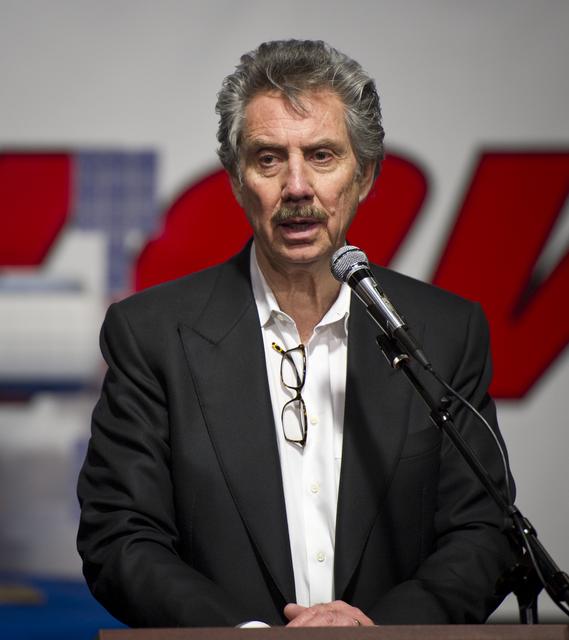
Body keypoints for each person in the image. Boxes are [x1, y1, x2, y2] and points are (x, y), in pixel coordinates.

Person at [77, 39, 515, 628]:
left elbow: (483, 530)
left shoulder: (443, 332)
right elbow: (119, 537)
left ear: (365, 176)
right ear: (237, 181)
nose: (297, 186)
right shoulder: (152, 335)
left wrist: (377, 633)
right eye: (268, 159)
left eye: (322, 155)